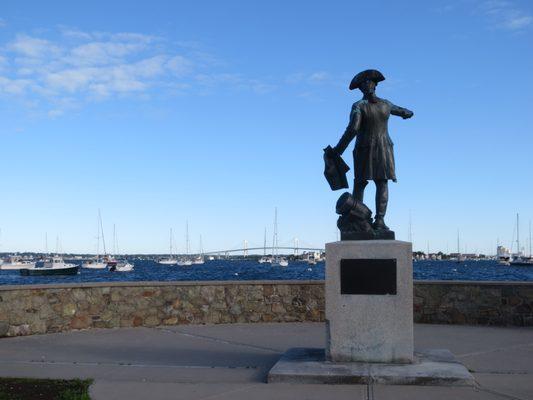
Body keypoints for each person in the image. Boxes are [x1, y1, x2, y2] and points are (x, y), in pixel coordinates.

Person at [333, 69, 413, 231]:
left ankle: (359, 218)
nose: (367, 86)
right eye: (365, 84)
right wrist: (406, 113)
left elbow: (353, 129)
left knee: (361, 183)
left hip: (365, 148)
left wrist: (338, 150)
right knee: (381, 183)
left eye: (367, 83)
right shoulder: (386, 104)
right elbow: (404, 111)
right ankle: (379, 221)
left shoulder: (359, 106)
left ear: (370, 86)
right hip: (383, 148)